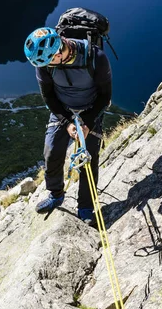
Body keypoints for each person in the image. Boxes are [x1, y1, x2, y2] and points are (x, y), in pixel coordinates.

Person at [24, 26, 112, 225]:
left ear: (58, 52)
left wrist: (88, 123)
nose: (47, 65)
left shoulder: (95, 57)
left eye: (50, 61)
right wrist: (66, 122)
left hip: (91, 111)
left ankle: (86, 207)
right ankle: (56, 194)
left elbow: (105, 96)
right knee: (52, 151)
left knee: (88, 160)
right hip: (63, 111)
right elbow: (48, 96)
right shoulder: (45, 63)